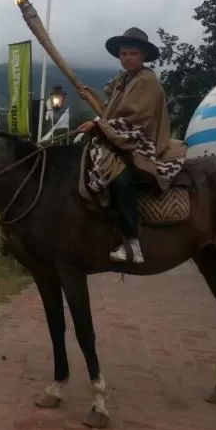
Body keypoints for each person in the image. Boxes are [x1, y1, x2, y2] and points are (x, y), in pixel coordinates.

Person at [76, 27, 187, 264]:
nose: (127, 57)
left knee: (118, 177)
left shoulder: (148, 81)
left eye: (132, 53)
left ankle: (132, 243)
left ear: (143, 55)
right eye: (123, 53)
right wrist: (90, 96)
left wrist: (97, 127)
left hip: (142, 141)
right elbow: (111, 111)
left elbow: (134, 119)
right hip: (119, 135)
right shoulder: (123, 80)